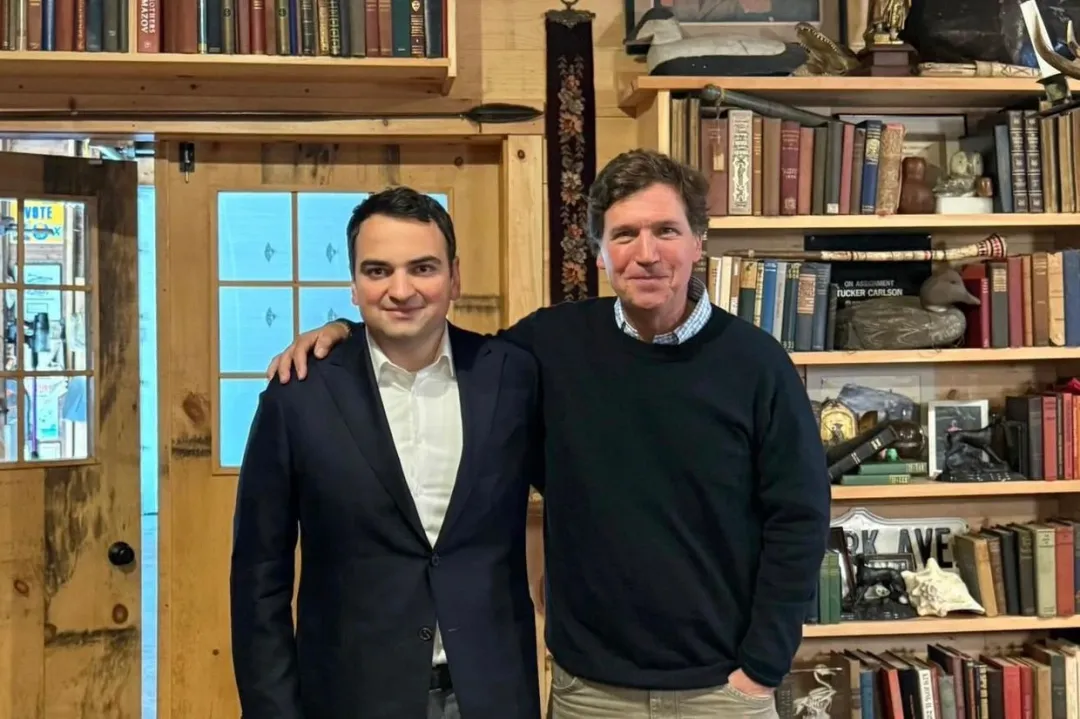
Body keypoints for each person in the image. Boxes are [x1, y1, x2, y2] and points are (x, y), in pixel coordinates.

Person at [264, 150, 832, 718]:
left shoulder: (758, 364)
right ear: (600, 251)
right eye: (624, 234)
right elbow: (428, 338)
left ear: (697, 242)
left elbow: (800, 517)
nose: (647, 253)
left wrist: (761, 668)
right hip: (590, 691)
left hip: (723, 692)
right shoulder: (548, 347)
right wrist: (345, 332)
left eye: (666, 230)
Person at [230, 187, 544, 719]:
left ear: (454, 277)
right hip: (350, 695)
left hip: (493, 693)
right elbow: (260, 576)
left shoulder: (512, 376)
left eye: (423, 268)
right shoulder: (299, 395)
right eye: (378, 271)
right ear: (354, 286)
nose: (401, 290)